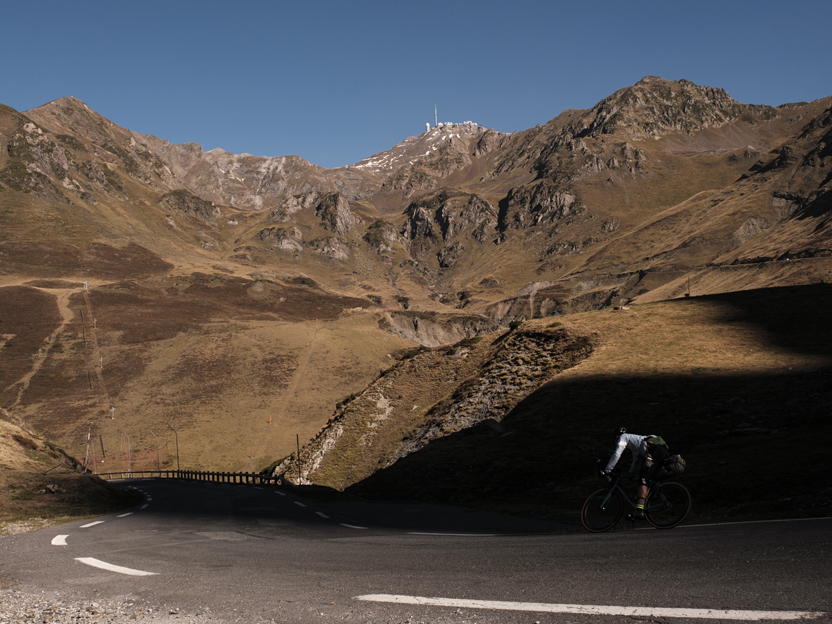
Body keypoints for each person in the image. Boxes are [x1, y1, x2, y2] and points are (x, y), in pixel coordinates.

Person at [600, 427, 670, 518]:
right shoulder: (635, 445)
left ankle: (639, 510)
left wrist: (607, 470)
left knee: (643, 477)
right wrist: (630, 474)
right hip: (662, 451)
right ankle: (648, 503)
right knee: (648, 478)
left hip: (656, 451)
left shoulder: (623, 437)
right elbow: (635, 463)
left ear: (617, 438)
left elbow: (617, 454)